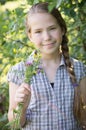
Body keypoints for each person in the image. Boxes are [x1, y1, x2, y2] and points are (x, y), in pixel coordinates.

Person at [7, 2, 86, 130]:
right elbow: (15, 124)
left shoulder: (78, 68)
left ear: (62, 29)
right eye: (38, 31)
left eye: (52, 28)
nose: (47, 37)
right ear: (30, 36)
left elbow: (83, 116)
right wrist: (22, 107)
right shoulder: (19, 71)